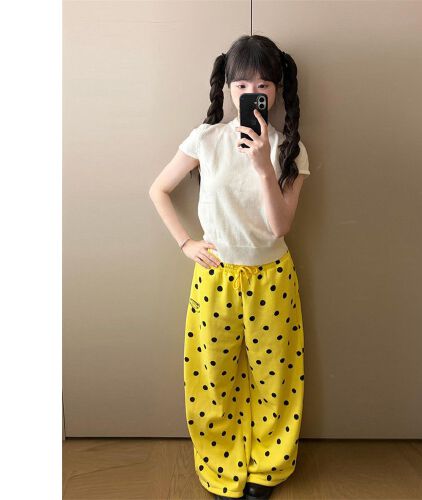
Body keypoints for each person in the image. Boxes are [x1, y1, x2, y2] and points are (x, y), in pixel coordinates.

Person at [149, 34, 310, 500]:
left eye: (263, 85)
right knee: (213, 376)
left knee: (275, 377)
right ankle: (221, 465)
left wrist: (263, 166)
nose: (251, 94)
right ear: (227, 88)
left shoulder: (290, 149)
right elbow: (158, 190)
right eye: (241, 86)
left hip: (272, 279)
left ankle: (267, 467)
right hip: (214, 277)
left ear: (277, 90)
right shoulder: (206, 139)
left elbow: (280, 227)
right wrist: (185, 243)